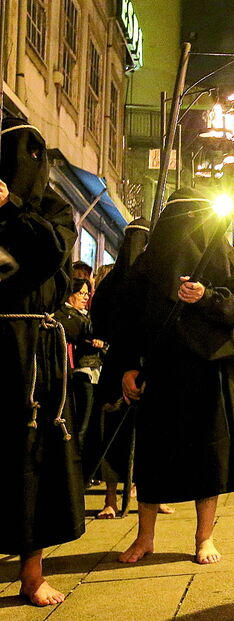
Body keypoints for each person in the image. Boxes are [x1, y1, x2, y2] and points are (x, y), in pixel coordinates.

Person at [111, 187, 234, 564]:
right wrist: (127, 364)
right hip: (159, 369)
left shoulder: (221, 254)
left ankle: (203, 537)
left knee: (207, 453)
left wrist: (207, 295)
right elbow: (126, 319)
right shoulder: (148, 263)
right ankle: (145, 538)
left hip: (207, 370)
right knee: (152, 454)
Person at [0, 117, 83, 606]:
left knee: (34, 455)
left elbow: (51, 253)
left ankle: (32, 572)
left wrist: (11, 206)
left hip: (33, 349)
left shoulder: (53, 208)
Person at [85, 218, 153, 518]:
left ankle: (148, 495)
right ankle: (111, 499)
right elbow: (98, 323)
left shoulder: (154, 278)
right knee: (113, 430)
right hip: (118, 364)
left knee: (149, 434)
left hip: (146, 362)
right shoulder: (113, 283)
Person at [54, 278, 106, 454]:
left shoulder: (86, 314)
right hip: (80, 372)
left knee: (92, 424)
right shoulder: (66, 315)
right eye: (81, 293)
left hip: (96, 371)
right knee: (81, 424)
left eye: (87, 293)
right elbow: (82, 332)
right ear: (70, 294)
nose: (85, 297)